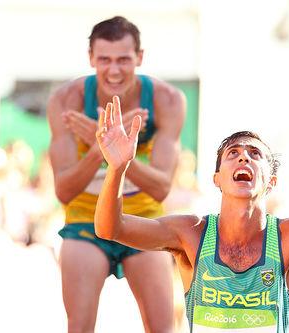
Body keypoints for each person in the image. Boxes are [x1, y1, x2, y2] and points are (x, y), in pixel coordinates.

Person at [94, 96, 289, 332]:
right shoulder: (191, 233)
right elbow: (110, 229)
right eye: (233, 153)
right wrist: (117, 170)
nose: (244, 156)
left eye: (255, 155)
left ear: (271, 181)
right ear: (217, 179)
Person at [47, 16, 186, 333]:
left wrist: (120, 152)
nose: (114, 70)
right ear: (90, 58)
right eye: (104, 60)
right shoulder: (66, 101)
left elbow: (162, 189)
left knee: (164, 328)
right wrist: (100, 148)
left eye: (124, 59)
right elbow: (63, 191)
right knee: (79, 327)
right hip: (84, 217)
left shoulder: (167, 100)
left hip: (143, 216)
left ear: (140, 57)